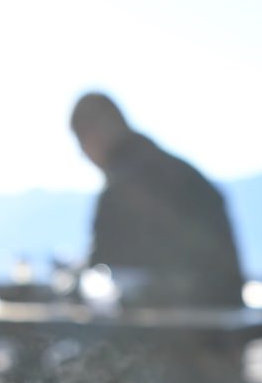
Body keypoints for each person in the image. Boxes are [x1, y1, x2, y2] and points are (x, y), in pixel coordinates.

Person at [69, 92, 244, 307]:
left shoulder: (122, 186)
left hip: (169, 323)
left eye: (81, 143)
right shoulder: (181, 172)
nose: (84, 155)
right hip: (224, 312)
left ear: (94, 134)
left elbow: (101, 271)